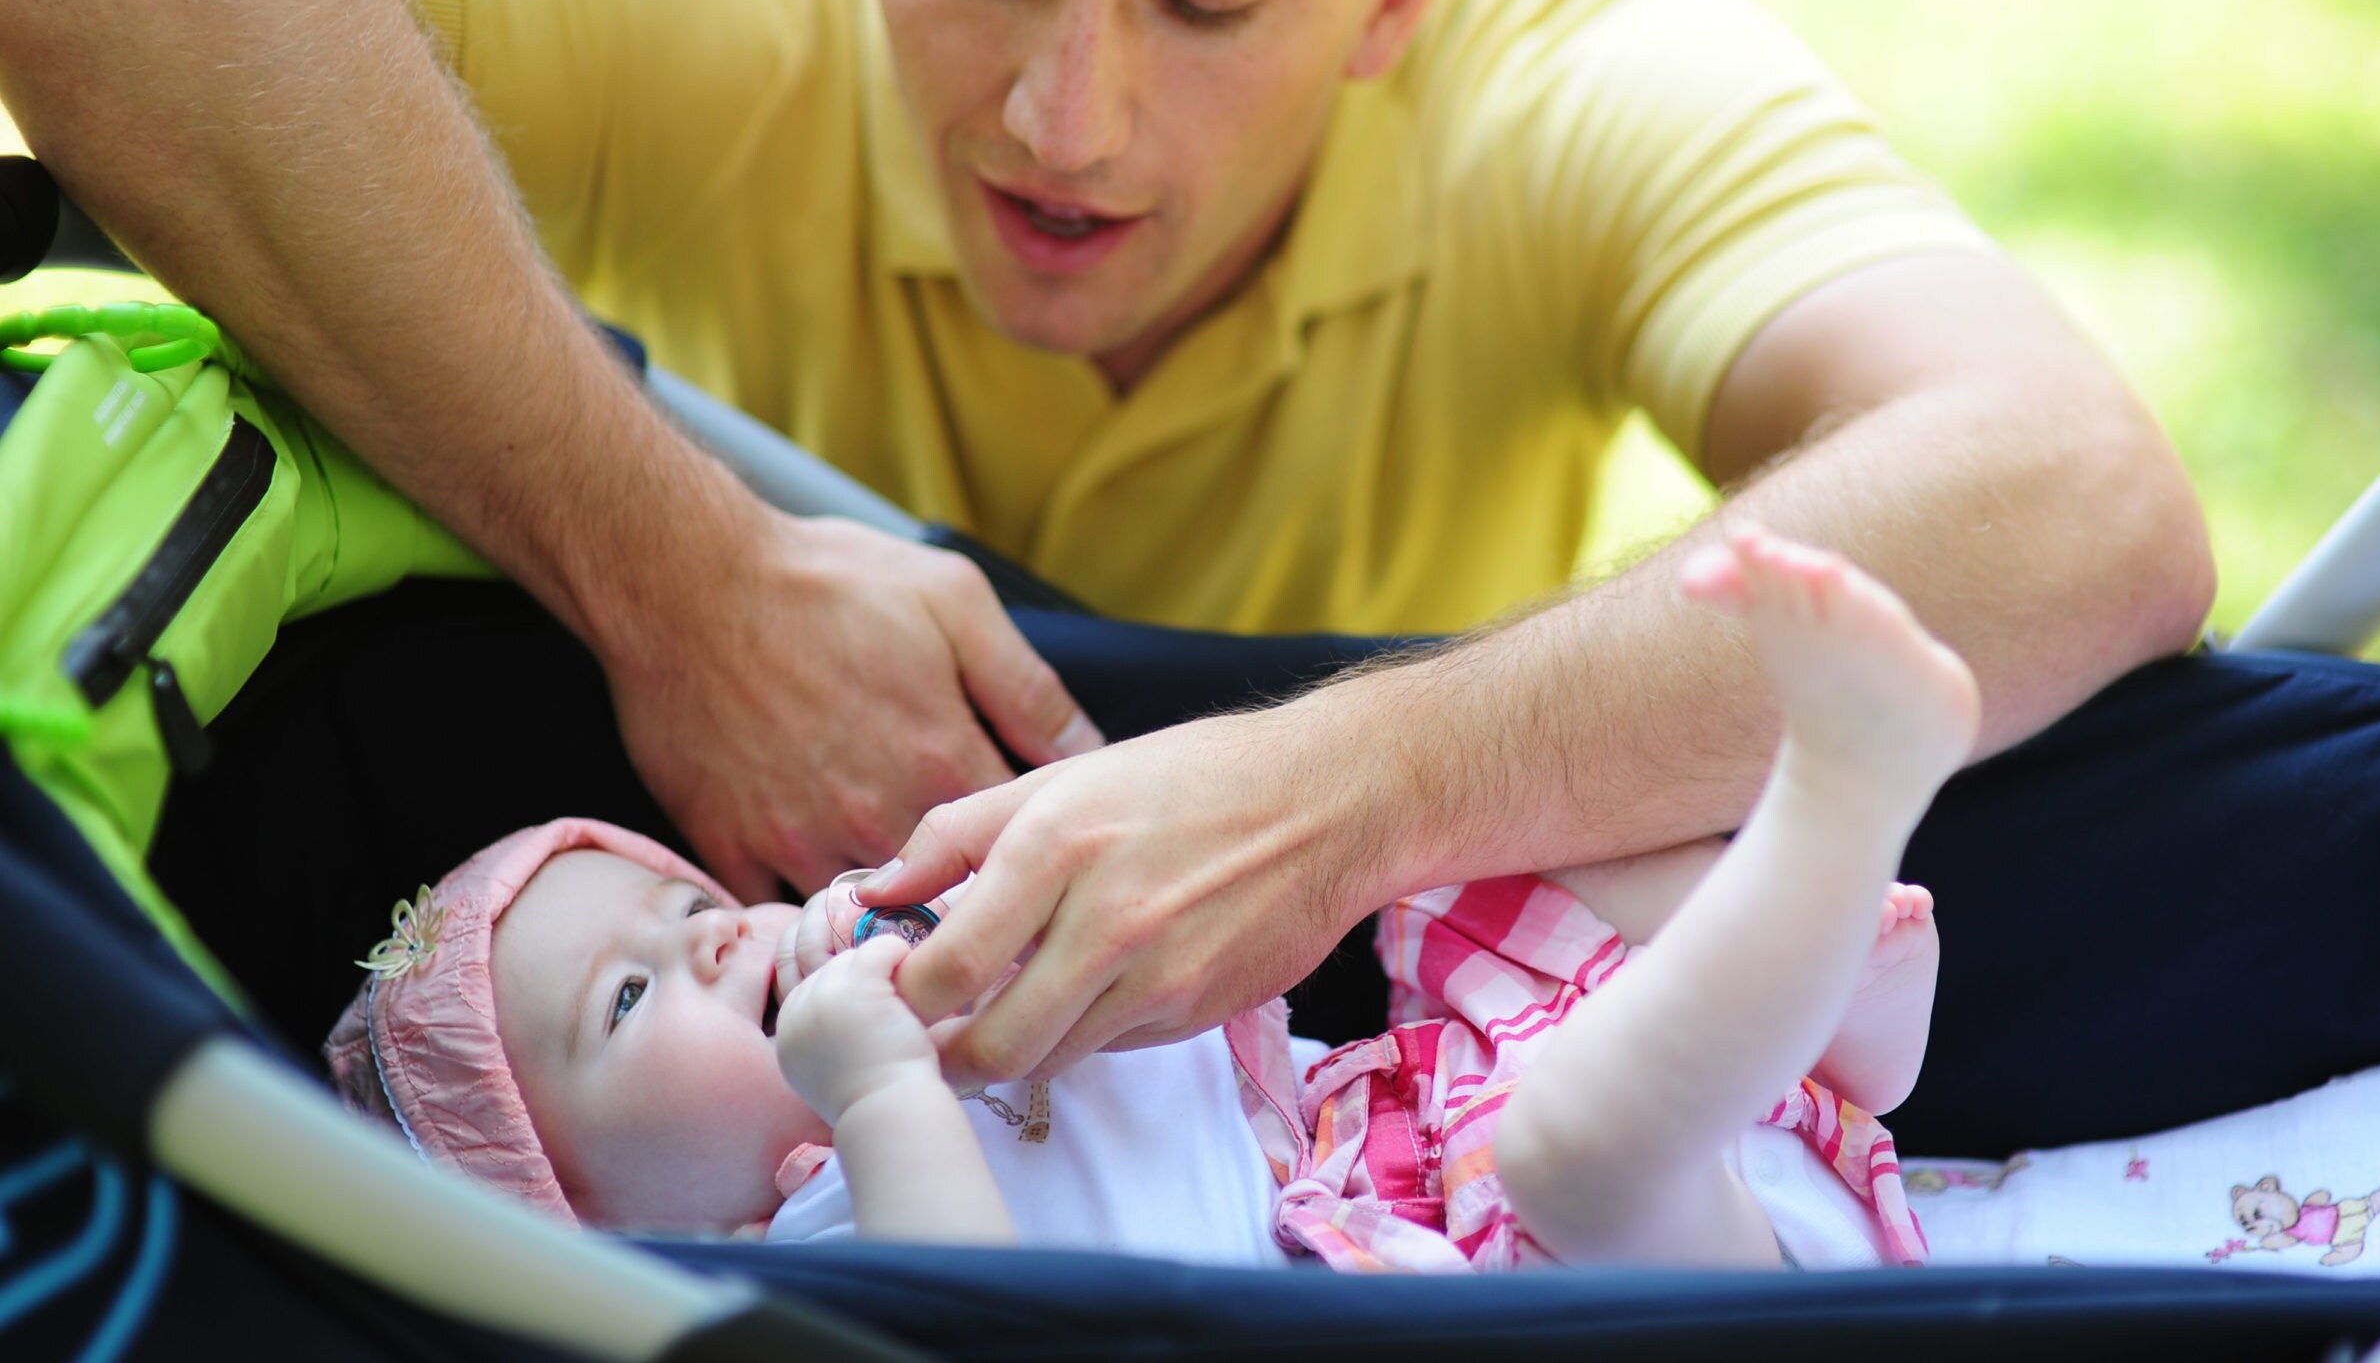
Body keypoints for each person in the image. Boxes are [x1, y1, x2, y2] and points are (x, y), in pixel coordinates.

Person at [0, 0, 2213, 1092]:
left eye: (1208, 2)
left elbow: (2070, 491)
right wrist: (685, 582)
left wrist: (1327, 795)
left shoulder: (1573, 83)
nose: (1066, 116)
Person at [331, 528, 1976, 1269]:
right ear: (617, 1228)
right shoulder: (822, 1263)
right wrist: (890, 1093)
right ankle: (1834, 813)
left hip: (1432, 1164)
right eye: (627, 1002)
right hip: (1583, 1286)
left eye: (681, 909)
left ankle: (1816, 1005)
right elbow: (980, 1326)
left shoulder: (922, 1013)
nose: (710, 939)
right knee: (1581, 1150)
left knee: (1457, 908)